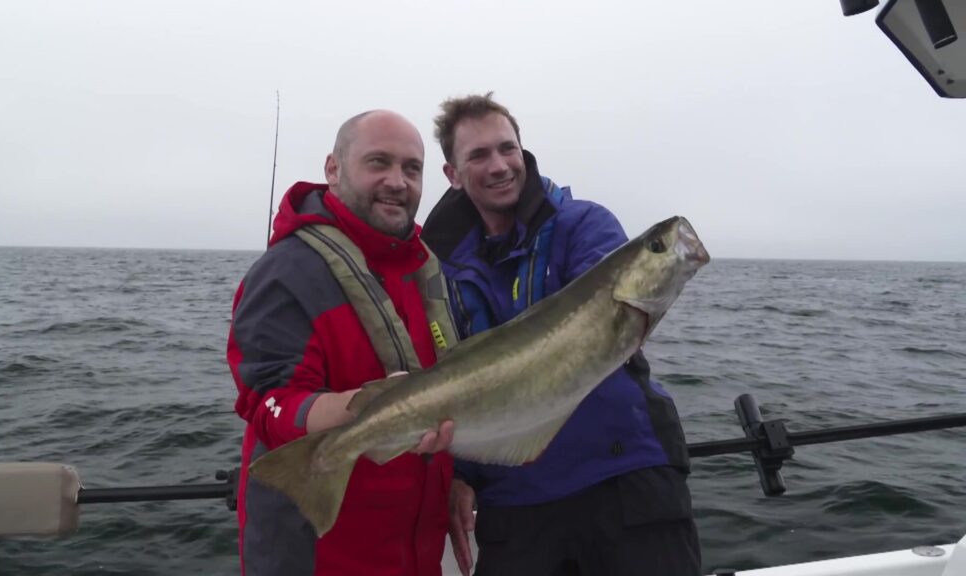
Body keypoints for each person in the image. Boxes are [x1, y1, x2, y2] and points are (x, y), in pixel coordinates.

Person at [421, 93, 702, 576]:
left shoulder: (583, 224)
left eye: (508, 148)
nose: (500, 165)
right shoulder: (438, 270)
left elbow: (605, 323)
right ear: (452, 174)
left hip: (623, 478)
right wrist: (459, 474)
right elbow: (453, 378)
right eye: (479, 155)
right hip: (513, 502)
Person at [227, 109, 459, 576]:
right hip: (318, 556)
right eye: (379, 163)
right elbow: (271, 403)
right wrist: (369, 408)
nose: (398, 181)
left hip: (417, 550)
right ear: (333, 169)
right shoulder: (285, 273)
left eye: (411, 169)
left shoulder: (426, 268)